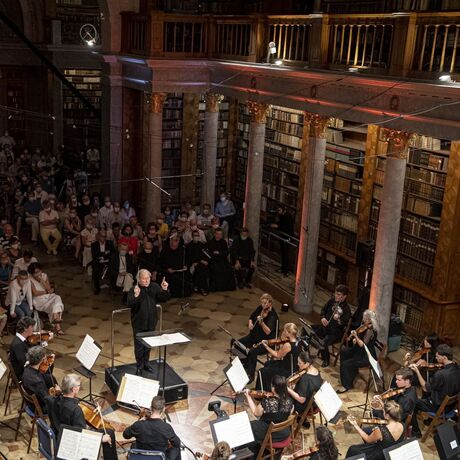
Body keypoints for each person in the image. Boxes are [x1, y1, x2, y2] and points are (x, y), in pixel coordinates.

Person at [48, 373, 117, 460]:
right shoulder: (76, 410)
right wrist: (101, 439)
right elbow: (81, 437)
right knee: (108, 434)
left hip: (59, 435)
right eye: (79, 386)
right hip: (71, 443)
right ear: (74, 389)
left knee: (108, 431)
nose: (79, 387)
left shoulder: (54, 400)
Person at [409, 344, 460, 437]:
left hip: (439, 407)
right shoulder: (458, 368)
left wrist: (417, 371)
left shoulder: (440, 374)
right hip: (451, 406)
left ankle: (416, 432)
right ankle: (429, 420)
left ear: (444, 357)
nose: (436, 358)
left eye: (437, 356)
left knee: (411, 403)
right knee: (431, 392)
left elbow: (425, 388)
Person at [127, 269, 171, 375]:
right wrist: (136, 296)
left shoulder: (154, 286)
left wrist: (165, 289)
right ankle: (139, 366)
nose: (147, 281)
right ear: (139, 279)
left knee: (148, 344)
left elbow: (164, 298)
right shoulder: (134, 289)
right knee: (139, 346)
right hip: (139, 323)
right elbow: (130, 304)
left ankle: (146, 363)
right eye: (144, 278)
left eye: (148, 278)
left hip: (151, 322)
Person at [244, 375, 294, 454]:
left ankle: (250, 449)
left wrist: (248, 396)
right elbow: (289, 413)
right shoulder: (290, 401)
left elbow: (256, 413)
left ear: (273, 388)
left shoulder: (267, 402)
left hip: (270, 434)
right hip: (284, 433)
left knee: (250, 425)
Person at [235, 293, 279, 383]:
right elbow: (252, 316)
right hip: (254, 336)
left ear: (270, 303)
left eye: (265, 303)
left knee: (252, 352)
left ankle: (250, 375)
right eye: (262, 303)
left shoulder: (273, 316)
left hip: (265, 342)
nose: (263, 305)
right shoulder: (261, 308)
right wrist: (250, 323)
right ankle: (245, 363)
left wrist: (262, 322)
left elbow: (268, 331)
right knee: (238, 344)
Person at [123, 395, 181, 460]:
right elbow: (177, 443)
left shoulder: (139, 425)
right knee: (177, 449)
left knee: (134, 444)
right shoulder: (166, 427)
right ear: (163, 409)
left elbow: (125, 435)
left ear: (150, 408)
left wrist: (139, 421)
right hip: (159, 457)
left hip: (141, 456)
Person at [337, 309, 378, 393]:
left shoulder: (370, 331)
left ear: (369, 320)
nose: (363, 320)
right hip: (358, 350)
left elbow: (363, 345)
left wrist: (356, 336)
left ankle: (346, 385)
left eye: (364, 318)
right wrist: (356, 339)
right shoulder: (365, 326)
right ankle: (349, 374)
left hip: (365, 356)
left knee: (345, 364)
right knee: (344, 352)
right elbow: (360, 339)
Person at [311, 284, 351, 368]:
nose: (336, 296)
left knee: (324, 341)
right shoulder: (332, 301)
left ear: (344, 296)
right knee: (308, 328)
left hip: (336, 332)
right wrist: (323, 318)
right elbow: (323, 310)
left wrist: (338, 319)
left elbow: (344, 323)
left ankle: (326, 359)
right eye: (335, 293)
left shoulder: (346, 309)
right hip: (325, 327)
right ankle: (305, 350)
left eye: (339, 295)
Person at [256, 323, 301, 391]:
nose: (283, 332)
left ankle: (260, 391)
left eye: (285, 331)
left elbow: (277, 355)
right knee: (268, 363)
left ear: (289, 333)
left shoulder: (288, 345)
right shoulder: (298, 340)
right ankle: (268, 386)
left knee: (262, 371)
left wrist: (266, 347)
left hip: (287, 370)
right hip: (291, 366)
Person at [28, 263, 64, 334]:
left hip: (47, 296)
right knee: (56, 304)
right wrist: (47, 292)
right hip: (38, 300)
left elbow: (48, 288)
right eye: (35, 273)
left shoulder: (44, 275)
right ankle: (58, 326)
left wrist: (42, 280)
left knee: (57, 298)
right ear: (32, 274)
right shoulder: (29, 279)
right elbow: (35, 293)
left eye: (39, 271)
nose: (38, 274)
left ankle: (55, 317)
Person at [22, 345, 58, 412]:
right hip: (39, 408)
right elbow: (47, 401)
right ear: (42, 360)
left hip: (31, 402)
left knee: (49, 378)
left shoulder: (27, 368)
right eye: (45, 357)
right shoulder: (37, 381)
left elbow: (46, 374)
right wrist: (57, 393)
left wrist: (50, 363)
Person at [270, 205, 294, 275]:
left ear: (283, 210)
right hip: (283, 236)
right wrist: (275, 224)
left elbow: (286, 227)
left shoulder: (288, 216)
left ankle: (285, 270)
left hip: (287, 237)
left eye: (279, 210)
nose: (278, 212)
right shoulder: (282, 215)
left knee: (286, 254)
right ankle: (283, 268)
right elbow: (280, 222)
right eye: (278, 210)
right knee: (283, 253)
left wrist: (277, 226)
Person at [185, 229, 210, 295]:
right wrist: (198, 261)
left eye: (197, 235)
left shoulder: (201, 245)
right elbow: (189, 257)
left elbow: (205, 255)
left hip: (200, 263)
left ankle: (201, 287)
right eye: (194, 235)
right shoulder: (189, 246)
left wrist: (204, 260)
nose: (196, 237)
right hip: (192, 263)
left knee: (202, 268)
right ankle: (201, 288)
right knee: (200, 269)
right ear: (192, 236)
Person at [91, 229, 115, 295]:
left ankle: (113, 286)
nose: (103, 238)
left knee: (113, 268)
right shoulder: (94, 244)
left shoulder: (110, 243)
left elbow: (113, 253)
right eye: (102, 236)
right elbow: (95, 255)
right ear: (98, 236)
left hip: (108, 262)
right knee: (95, 269)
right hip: (98, 262)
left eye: (105, 236)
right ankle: (97, 288)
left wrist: (103, 255)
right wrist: (105, 253)